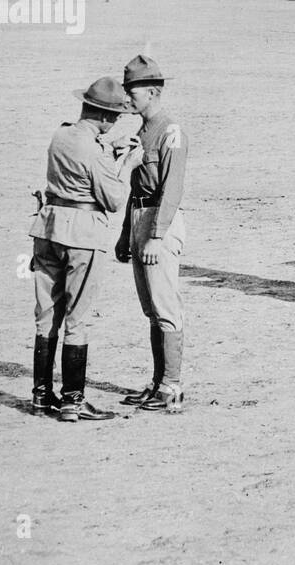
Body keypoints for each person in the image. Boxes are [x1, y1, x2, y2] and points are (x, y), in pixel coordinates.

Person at [29, 77, 142, 422]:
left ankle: (41, 396)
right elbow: (113, 199)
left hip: (48, 228)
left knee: (46, 317)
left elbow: (83, 161)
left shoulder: (61, 134)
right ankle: (72, 401)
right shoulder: (95, 151)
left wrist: (109, 149)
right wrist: (127, 164)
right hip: (82, 234)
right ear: (106, 117)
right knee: (77, 321)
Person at [115, 55, 189, 413]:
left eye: (134, 91)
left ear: (154, 92)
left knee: (165, 307)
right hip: (140, 216)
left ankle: (172, 385)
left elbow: (172, 188)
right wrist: (126, 233)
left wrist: (155, 236)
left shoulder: (169, 131)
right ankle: (158, 381)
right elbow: (134, 187)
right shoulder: (141, 131)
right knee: (151, 309)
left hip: (161, 220)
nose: (128, 97)